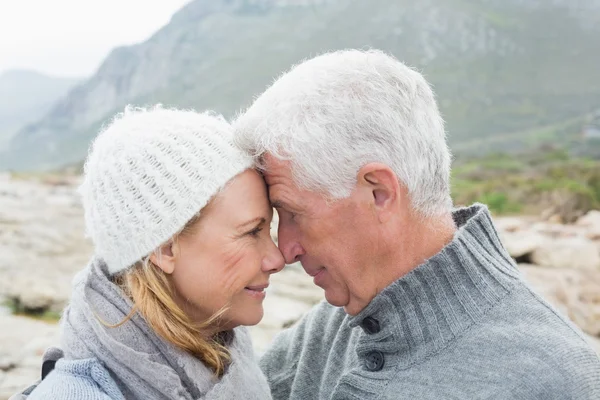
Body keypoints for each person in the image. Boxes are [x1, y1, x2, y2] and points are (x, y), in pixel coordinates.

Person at [233, 49, 600, 399]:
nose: (286, 250)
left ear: (379, 192)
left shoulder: (559, 381)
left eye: (293, 214)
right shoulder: (330, 327)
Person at [14, 106, 284, 399]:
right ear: (165, 248)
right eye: (252, 232)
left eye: (268, 229)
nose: (277, 259)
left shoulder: (222, 351)